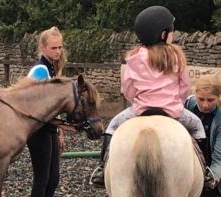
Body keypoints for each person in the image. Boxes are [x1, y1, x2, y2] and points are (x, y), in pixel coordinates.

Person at [89, 5, 212, 187]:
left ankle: (101, 168)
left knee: (112, 127)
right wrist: (175, 101)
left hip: (140, 110)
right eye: (171, 30)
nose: (173, 33)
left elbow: (128, 90)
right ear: (163, 34)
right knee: (198, 127)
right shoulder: (176, 57)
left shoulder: (134, 57)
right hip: (173, 112)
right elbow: (184, 87)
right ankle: (205, 170)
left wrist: (137, 100)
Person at [26, 26, 67, 197]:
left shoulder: (52, 69)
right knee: (42, 178)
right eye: (53, 47)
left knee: (54, 178)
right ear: (43, 48)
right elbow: (31, 103)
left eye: (60, 47)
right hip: (39, 131)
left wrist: (59, 131)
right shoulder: (39, 71)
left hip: (50, 128)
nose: (58, 51)